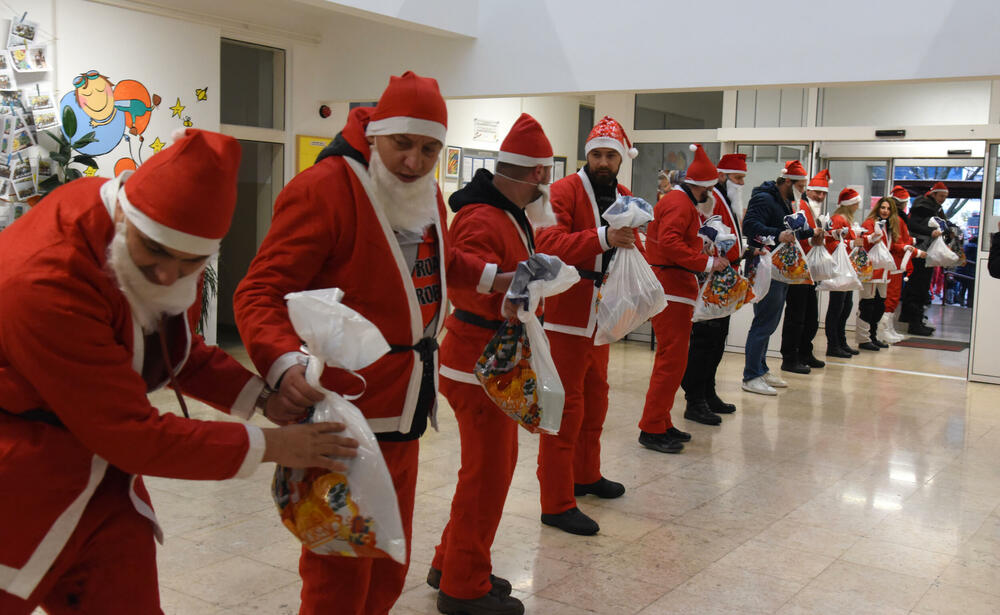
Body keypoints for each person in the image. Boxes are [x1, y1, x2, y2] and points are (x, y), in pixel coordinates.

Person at [0, 129, 356, 614]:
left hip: (100, 477)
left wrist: (263, 397)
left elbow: (175, 350)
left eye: (191, 263)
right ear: (125, 212)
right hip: (16, 470)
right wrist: (274, 446)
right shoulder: (46, 279)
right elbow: (130, 433)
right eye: (157, 252)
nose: (168, 276)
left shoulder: (144, 251)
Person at [233, 72, 486, 615]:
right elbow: (260, 290)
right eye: (402, 144)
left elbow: (441, 263)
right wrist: (281, 364)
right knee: (339, 574)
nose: (414, 162)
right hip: (341, 418)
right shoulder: (323, 189)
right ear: (376, 135)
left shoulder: (425, 194)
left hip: (405, 411)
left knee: (389, 562)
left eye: (428, 149)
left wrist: (498, 282)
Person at [429, 113, 556, 615]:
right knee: (488, 474)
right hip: (479, 364)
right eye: (541, 176)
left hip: (486, 359)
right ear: (534, 175)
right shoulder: (483, 217)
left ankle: (454, 561)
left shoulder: (503, 213)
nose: (543, 185)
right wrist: (510, 292)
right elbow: (464, 281)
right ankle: (463, 588)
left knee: (483, 472)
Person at [534, 115, 637, 534]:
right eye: (596, 154)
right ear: (586, 155)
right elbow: (547, 243)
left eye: (610, 155)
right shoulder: (562, 191)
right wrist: (603, 239)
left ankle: (586, 474)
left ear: (620, 161)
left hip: (603, 314)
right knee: (564, 407)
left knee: (596, 399)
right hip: (565, 316)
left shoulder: (626, 196)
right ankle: (556, 501)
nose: (603, 162)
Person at [641, 144, 729, 442]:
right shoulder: (680, 204)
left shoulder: (678, 202)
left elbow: (673, 241)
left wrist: (698, 246)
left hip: (674, 287)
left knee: (673, 361)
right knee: (671, 361)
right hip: (672, 289)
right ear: (701, 186)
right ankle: (652, 427)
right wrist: (706, 261)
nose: (709, 196)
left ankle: (661, 421)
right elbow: (669, 244)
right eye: (709, 189)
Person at [741, 160, 819, 396]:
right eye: (800, 185)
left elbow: (787, 231)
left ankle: (761, 368)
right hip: (766, 266)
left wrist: (811, 232)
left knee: (771, 321)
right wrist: (778, 234)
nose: (803, 190)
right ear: (787, 181)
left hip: (779, 268)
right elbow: (750, 227)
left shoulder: (785, 200)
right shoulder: (765, 199)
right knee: (764, 322)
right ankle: (751, 374)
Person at [679, 153, 746, 421]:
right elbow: (702, 233)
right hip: (708, 277)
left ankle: (708, 391)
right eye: (737, 178)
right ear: (722, 176)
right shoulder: (711, 199)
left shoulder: (729, 200)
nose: (741, 183)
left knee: (718, 340)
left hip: (724, 274)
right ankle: (694, 399)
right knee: (704, 341)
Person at [780, 169, 830, 374]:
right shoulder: (799, 206)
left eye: (823, 193)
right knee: (797, 315)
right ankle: (791, 356)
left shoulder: (808, 207)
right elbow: (798, 236)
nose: (820, 196)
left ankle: (804, 351)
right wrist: (811, 238)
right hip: (798, 267)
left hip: (808, 269)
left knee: (809, 315)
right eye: (816, 191)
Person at [858, 197, 923, 351]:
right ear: (878, 208)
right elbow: (863, 242)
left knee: (879, 305)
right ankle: (863, 338)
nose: (885, 211)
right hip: (871, 271)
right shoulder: (870, 223)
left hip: (883, 272)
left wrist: (909, 249)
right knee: (867, 305)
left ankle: (873, 336)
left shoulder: (888, 226)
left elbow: (893, 246)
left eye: (888, 208)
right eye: (883, 208)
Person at [901, 182, 950, 335]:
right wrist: (931, 232)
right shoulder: (923, 207)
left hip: (923, 252)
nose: (943, 199)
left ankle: (913, 320)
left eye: (945, 197)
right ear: (933, 194)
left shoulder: (928, 207)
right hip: (921, 253)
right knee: (918, 288)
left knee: (918, 287)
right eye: (941, 196)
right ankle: (914, 324)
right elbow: (913, 225)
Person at [824, 188, 864, 358]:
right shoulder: (839, 219)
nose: (858, 205)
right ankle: (833, 344)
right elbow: (831, 243)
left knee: (844, 306)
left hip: (845, 267)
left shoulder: (845, 219)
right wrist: (852, 244)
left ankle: (840, 342)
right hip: (839, 268)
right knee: (837, 307)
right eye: (856, 202)